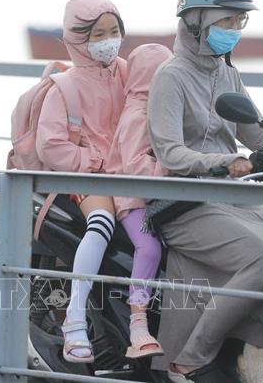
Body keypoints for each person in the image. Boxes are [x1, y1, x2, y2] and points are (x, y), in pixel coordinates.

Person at [146, 0, 263, 383]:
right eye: (226, 20)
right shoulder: (171, 76)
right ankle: (191, 358)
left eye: (239, 21)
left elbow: (260, 135)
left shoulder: (227, 73)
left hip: (231, 197)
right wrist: (222, 161)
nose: (235, 29)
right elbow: (169, 152)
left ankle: (261, 351)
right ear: (196, 22)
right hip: (185, 203)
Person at [35, 0, 127, 363]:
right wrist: (95, 160)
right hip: (89, 178)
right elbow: (51, 146)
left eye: (114, 31)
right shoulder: (64, 87)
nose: (109, 41)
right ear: (76, 39)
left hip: (133, 174)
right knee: (102, 222)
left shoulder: (128, 72)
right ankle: (74, 320)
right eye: (97, 34)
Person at [106, 43, 173, 359]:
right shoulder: (137, 113)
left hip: (154, 195)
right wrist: (171, 168)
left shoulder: (157, 108)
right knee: (150, 248)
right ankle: (138, 322)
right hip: (132, 197)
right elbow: (135, 166)